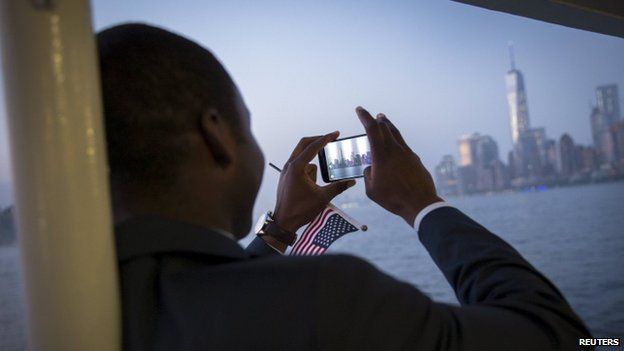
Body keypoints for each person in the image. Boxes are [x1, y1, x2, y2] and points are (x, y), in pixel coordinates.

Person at [98, 23, 592, 351]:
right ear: (217, 135)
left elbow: (209, 289)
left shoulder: (90, 304)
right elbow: (556, 335)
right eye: (246, 128)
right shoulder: (330, 300)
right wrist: (422, 204)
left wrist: (281, 226)